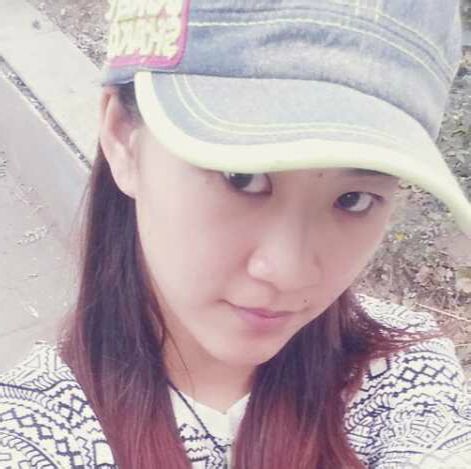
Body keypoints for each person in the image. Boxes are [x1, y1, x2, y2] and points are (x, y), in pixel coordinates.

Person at [1, 0, 471, 467]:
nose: (288, 272)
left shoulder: (405, 373)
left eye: (354, 199)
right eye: (241, 177)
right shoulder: (36, 431)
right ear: (124, 138)